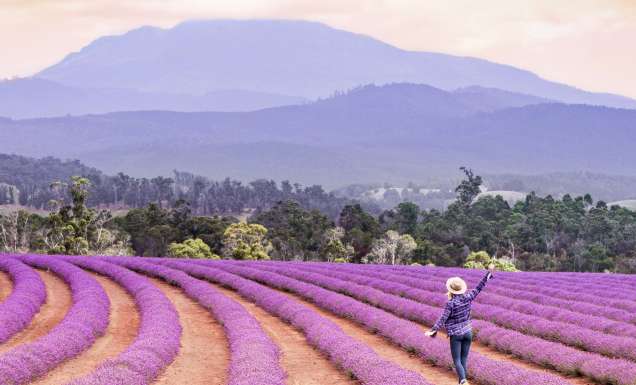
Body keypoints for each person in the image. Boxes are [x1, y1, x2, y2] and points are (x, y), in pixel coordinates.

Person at [425, 264, 495, 385]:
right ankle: (461, 382)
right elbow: (478, 288)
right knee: (463, 359)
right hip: (468, 332)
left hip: (456, 335)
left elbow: (443, 318)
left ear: (450, 289)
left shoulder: (450, 303)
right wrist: (488, 274)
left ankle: (463, 381)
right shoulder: (468, 297)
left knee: (456, 360)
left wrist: (433, 329)